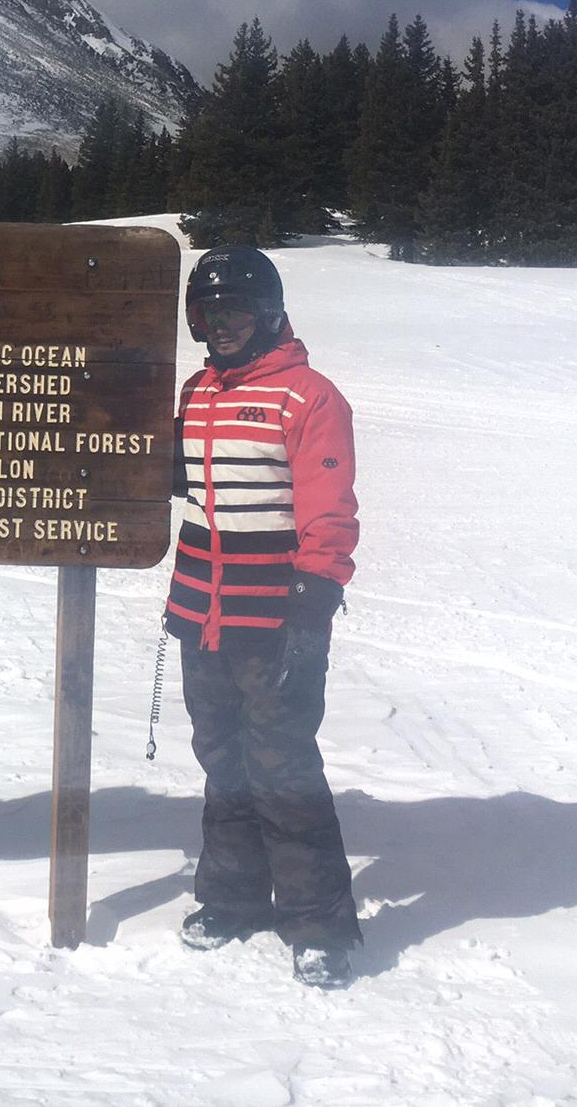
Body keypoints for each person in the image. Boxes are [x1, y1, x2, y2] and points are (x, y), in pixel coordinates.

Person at [164, 245, 361, 988]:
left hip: (273, 613)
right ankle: (232, 899)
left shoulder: (308, 397)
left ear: (269, 312)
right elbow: (179, 482)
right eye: (211, 313)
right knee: (223, 762)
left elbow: (329, 512)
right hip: (199, 607)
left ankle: (318, 924)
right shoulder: (198, 393)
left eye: (237, 310)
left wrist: (313, 610)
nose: (224, 325)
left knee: (283, 767)